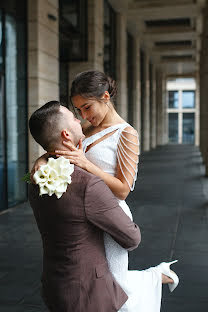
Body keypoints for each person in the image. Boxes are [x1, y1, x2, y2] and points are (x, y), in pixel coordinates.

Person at [32, 70, 179, 311]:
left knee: (116, 287)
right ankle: (158, 275)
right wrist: (41, 161)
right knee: (97, 283)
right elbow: (60, 147)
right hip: (84, 215)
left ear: (106, 97)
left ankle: (157, 275)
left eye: (87, 107)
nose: (84, 116)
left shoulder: (127, 135)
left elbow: (123, 190)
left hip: (112, 215)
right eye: (78, 111)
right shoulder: (86, 130)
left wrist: (86, 164)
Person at [28, 101, 142, 312]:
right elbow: (132, 238)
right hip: (88, 293)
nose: (80, 119)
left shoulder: (35, 180)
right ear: (66, 135)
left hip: (54, 283)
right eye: (74, 117)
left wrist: (45, 156)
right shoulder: (88, 185)